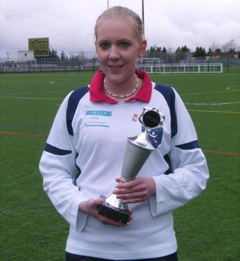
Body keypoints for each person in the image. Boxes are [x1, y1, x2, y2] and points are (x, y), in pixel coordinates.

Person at [39, 6, 209, 261]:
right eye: (105, 45)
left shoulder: (167, 99)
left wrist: (155, 186)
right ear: (96, 47)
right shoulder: (76, 101)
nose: (113, 55)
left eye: (124, 44)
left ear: (141, 48)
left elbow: (196, 170)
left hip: (154, 248)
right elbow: (53, 169)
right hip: (87, 248)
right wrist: (79, 204)